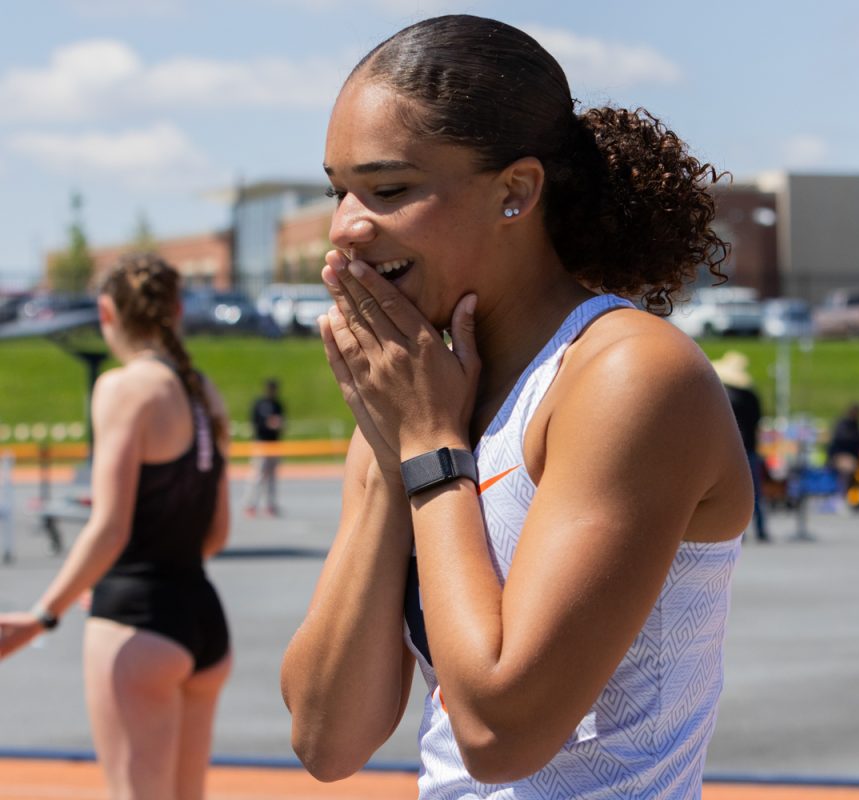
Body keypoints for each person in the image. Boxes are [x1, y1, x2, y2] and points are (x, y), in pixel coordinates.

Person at [280, 15, 752, 798]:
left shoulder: (628, 375)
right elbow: (329, 739)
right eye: (338, 192)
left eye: (388, 189)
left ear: (516, 191)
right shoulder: (424, 387)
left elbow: (503, 733)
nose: (345, 230)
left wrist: (431, 454)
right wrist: (387, 459)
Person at [0, 253, 232, 799]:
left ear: (106, 311)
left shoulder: (124, 388)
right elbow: (215, 536)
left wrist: (41, 616)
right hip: (202, 618)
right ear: (176, 311)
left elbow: (111, 526)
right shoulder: (204, 393)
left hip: (137, 623)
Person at [712, 350, 768, 542]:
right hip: (751, 447)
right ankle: (761, 529)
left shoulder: (723, 395)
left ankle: (737, 533)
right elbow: (758, 420)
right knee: (755, 493)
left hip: (731, 449)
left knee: (732, 494)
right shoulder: (751, 396)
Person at [243, 377, 285, 516]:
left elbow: (282, 423)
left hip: (274, 444)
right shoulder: (260, 404)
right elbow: (255, 423)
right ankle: (251, 504)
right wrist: (268, 424)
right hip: (261, 443)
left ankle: (270, 504)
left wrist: (279, 425)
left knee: (272, 476)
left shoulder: (278, 404)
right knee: (257, 475)